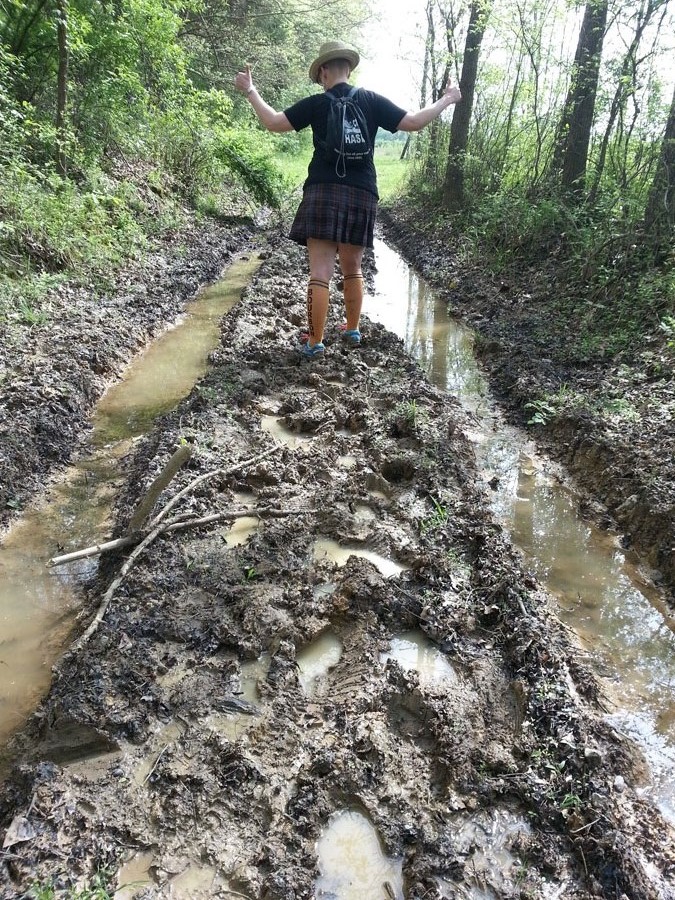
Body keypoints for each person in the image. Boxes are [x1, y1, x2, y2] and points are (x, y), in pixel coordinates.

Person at [235, 41, 461, 359]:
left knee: (320, 272)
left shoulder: (316, 103)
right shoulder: (370, 100)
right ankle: (352, 329)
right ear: (349, 69)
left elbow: (273, 123)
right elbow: (414, 122)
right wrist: (448, 98)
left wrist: (250, 91)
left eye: (320, 76)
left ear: (325, 72)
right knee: (353, 267)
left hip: (322, 192)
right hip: (362, 192)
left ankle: (314, 342)